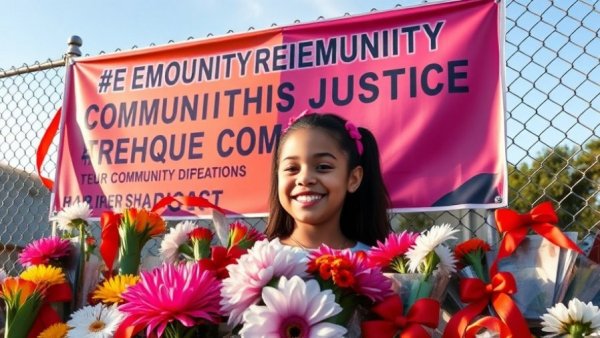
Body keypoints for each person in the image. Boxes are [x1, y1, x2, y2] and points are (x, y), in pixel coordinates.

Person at [265, 111, 391, 252]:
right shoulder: (253, 262)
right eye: (292, 168)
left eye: (323, 167)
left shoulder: (375, 264)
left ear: (353, 179)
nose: (305, 179)